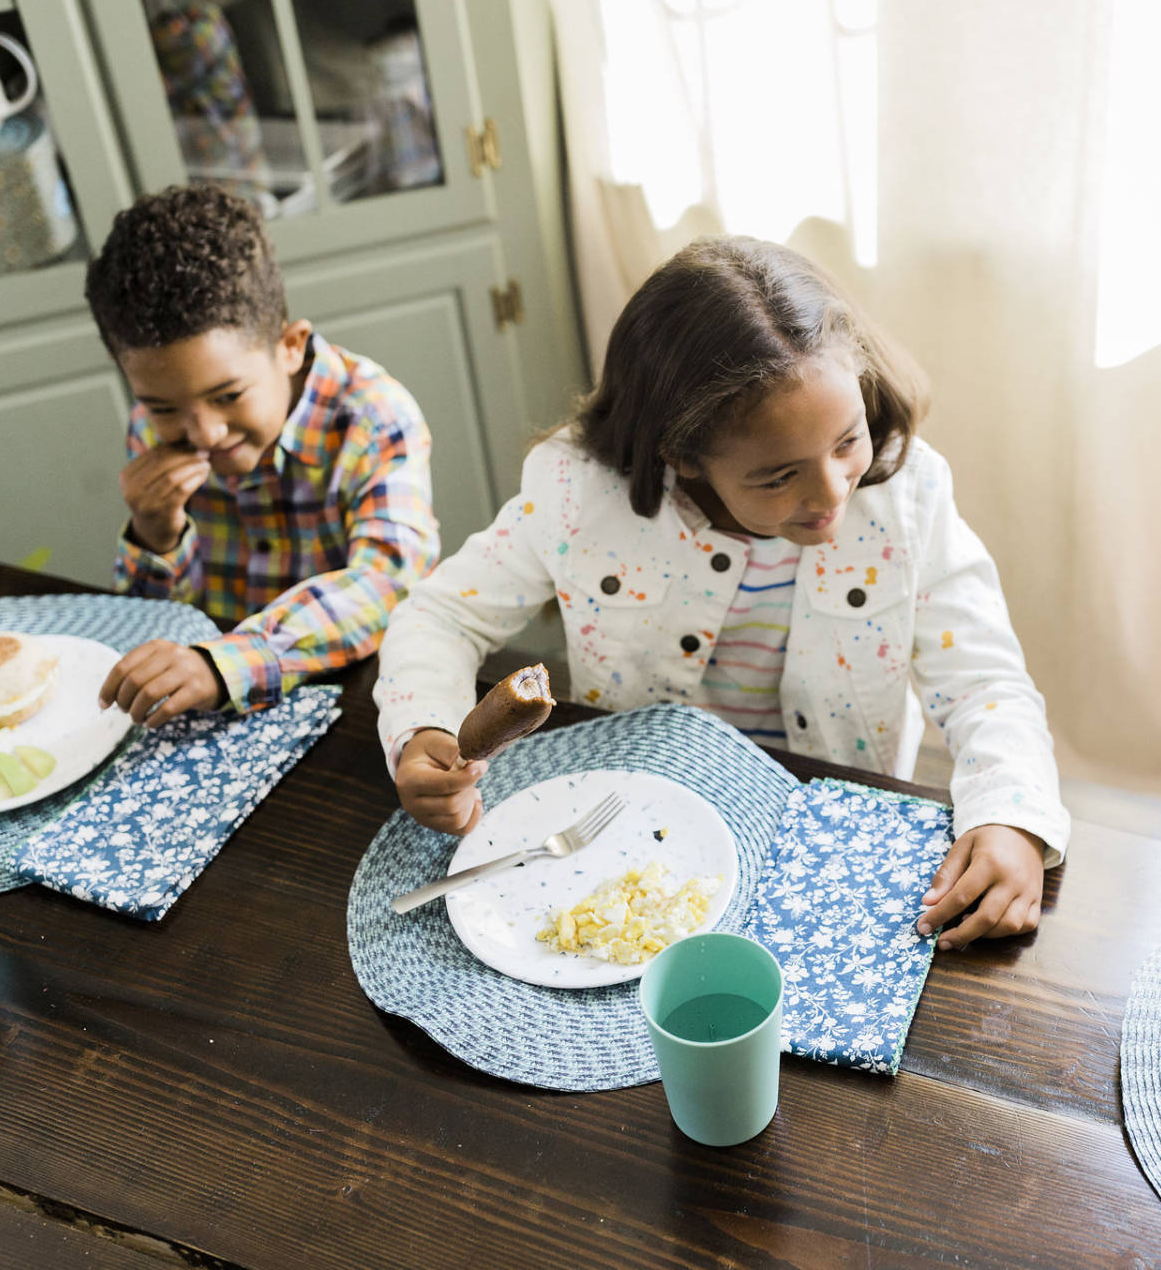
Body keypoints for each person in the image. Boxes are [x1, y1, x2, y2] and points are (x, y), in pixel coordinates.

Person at [374, 236, 1070, 948]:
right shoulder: (577, 495)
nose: (832, 492)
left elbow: (984, 679)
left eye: (847, 441)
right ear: (682, 454)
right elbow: (440, 615)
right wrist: (421, 727)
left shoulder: (909, 498)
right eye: (778, 477)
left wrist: (1009, 816)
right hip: (631, 836)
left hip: (829, 832)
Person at [82, 184, 440, 724]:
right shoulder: (150, 431)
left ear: (290, 346)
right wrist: (153, 536)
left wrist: (226, 663)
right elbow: (150, 631)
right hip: (208, 707)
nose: (202, 433)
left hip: (358, 701)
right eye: (161, 406)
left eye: (227, 396)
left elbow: (389, 581)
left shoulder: (374, 418)